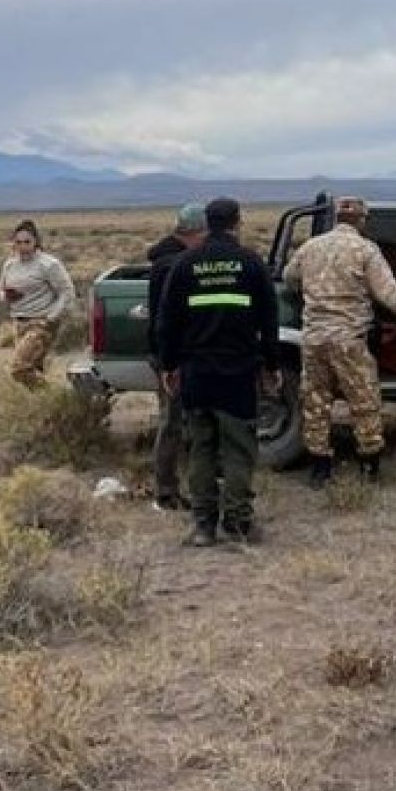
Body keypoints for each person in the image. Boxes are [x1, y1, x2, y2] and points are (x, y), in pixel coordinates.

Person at [283, 196, 396, 487]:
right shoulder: (365, 250)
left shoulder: (310, 247)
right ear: (361, 220)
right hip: (349, 339)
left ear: (337, 218)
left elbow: (289, 278)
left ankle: (320, 470)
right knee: (364, 402)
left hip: (314, 338)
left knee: (316, 403)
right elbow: (390, 296)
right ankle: (369, 469)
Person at [155, 198, 280, 548]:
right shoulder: (251, 264)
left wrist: (169, 365)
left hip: (196, 373)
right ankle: (238, 524)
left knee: (201, 449)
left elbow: (167, 323)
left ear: (208, 224)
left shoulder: (185, 265)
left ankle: (203, 526)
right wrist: (271, 366)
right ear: (237, 223)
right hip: (238, 373)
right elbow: (269, 322)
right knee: (239, 450)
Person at [145, 203, 209, 512]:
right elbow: (168, 319)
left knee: (174, 420)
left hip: (168, 353)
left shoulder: (164, 261)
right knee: (172, 422)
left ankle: (170, 488)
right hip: (174, 355)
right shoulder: (174, 265)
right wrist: (171, 361)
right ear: (197, 232)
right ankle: (166, 491)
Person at [0, 219, 77, 387]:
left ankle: (55, 396)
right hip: (19, 322)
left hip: (40, 323)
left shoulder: (48, 264)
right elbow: (1, 289)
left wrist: (50, 318)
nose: (23, 246)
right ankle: (43, 406)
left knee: (19, 369)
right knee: (34, 369)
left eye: (27, 242)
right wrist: (7, 295)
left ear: (36, 242)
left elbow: (67, 292)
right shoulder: (10, 264)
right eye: (18, 242)